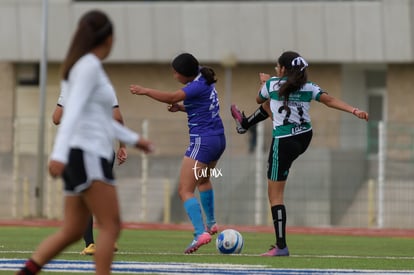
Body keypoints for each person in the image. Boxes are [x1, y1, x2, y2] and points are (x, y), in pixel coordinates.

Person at [17, 10, 154, 275]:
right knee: (110, 225)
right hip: (87, 154)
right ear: (108, 38)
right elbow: (73, 112)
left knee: (71, 230)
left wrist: (134, 139)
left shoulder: (83, 67)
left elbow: (100, 118)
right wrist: (58, 154)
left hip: (80, 154)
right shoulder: (89, 67)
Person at [231, 51, 369, 256]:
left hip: (284, 142)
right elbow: (329, 100)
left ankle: (281, 246)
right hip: (304, 137)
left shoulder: (272, 84)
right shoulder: (309, 86)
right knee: (272, 106)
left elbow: (259, 98)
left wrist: (265, 82)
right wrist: (354, 110)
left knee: (275, 196)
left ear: (284, 69)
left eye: (278, 67)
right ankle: (245, 124)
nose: (276, 69)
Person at [129, 53, 226, 254]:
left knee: (184, 190)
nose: (174, 76)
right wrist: (182, 109)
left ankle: (200, 233)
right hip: (218, 139)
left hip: (203, 141)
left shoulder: (196, 85)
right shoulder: (203, 77)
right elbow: (203, 106)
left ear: (185, 74)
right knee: (203, 180)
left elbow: (173, 96)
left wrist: (145, 91)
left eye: (175, 73)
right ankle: (212, 223)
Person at [52, 87, 126, 256]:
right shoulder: (106, 88)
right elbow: (117, 119)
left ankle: (91, 244)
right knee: (103, 194)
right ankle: (110, 237)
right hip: (105, 149)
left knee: (85, 200)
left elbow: (56, 118)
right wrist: (122, 145)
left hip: (82, 150)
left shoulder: (70, 87)